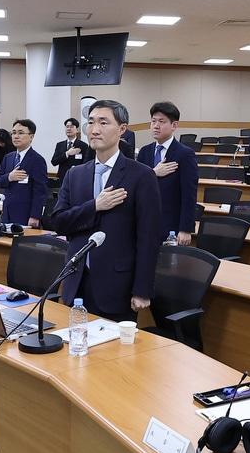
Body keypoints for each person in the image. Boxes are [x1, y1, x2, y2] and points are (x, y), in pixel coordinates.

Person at [50, 99, 162, 323]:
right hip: (77, 281)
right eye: (91, 122)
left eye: (103, 122)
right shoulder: (75, 174)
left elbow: (149, 237)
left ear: (122, 129)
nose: (95, 129)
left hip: (117, 285)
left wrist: (142, 289)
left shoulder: (141, 175)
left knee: (113, 356)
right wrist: (94, 206)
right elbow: (59, 222)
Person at [137, 101, 198, 245]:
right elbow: (136, 184)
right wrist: (153, 173)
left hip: (170, 224)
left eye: (161, 121)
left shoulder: (185, 154)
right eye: (153, 121)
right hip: (144, 221)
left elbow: (189, 194)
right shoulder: (144, 152)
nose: (156, 126)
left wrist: (185, 229)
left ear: (174, 125)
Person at [0, 119, 48, 228]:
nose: (16, 136)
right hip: (7, 213)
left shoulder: (37, 160)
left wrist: (35, 216)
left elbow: (40, 191)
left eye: (21, 133)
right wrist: (9, 177)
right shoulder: (8, 157)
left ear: (31, 137)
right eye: (13, 133)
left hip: (25, 215)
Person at [51, 117, 92, 184]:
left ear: (77, 129)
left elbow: (86, 164)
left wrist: (76, 168)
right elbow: (54, 162)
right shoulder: (60, 145)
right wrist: (67, 153)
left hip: (77, 178)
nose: (69, 129)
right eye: (67, 127)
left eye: (72, 126)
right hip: (62, 179)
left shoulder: (83, 145)